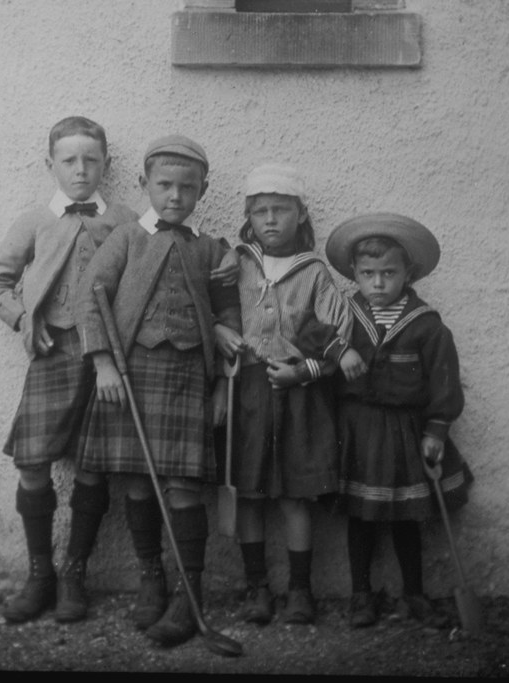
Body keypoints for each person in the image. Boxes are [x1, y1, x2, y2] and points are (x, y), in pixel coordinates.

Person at [76, 134, 241, 647]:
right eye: (164, 185)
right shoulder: (127, 237)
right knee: (139, 482)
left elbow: (228, 312)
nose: (175, 196)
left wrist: (222, 383)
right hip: (131, 374)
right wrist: (103, 361)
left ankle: (188, 594)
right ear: (144, 184)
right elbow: (91, 296)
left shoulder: (212, 248)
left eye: (187, 188)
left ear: (203, 190)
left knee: (185, 485)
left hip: (191, 376)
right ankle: (153, 577)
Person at [0, 116, 139, 625]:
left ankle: (75, 574)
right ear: (49, 164)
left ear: (107, 165)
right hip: (53, 355)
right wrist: (24, 319)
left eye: (91, 160)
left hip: (106, 360)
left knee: (93, 465)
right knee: (32, 462)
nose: (80, 170)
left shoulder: (124, 221)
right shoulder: (34, 220)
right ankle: (39, 573)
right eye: (68, 161)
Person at [212, 164, 357, 626]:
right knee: (250, 492)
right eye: (260, 212)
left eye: (281, 210)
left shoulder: (314, 273)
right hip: (247, 391)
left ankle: (300, 589)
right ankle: (257, 588)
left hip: (298, 394)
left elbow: (338, 336)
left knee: (295, 496)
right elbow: (210, 305)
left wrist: (303, 372)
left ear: (301, 214)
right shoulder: (234, 262)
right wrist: (219, 328)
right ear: (248, 218)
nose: (270, 220)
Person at [321, 213, 473, 629]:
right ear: (355, 273)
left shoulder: (426, 326)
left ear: (410, 272)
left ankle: (415, 593)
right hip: (358, 430)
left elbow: (444, 381)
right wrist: (338, 351)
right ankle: (360, 595)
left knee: (407, 516)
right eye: (368, 274)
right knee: (361, 515)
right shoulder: (344, 312)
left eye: (389, 273)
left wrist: (437, 431)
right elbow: (309, 333)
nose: (378, 283)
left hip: (406, 431)